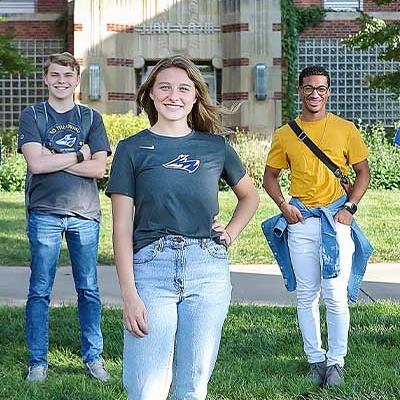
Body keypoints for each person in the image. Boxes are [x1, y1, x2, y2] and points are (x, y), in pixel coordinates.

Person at [106, 55, 259, 399]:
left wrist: (231, 232)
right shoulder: (132, 150)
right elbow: (121, 227)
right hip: (150, 270)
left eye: (183, 88)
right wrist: (129, 295)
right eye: (165, 87)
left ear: (195, 97)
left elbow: (250, 196)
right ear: (151, 95)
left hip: (207, 269)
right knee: (146, 388)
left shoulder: (214, 146)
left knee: (192, 387)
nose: (173, 95)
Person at [262, 66, 372, 387]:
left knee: (335, 295)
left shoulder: (345, 129)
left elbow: (363, 173)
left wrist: (350, 208)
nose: (315, 94)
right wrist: (284, 207)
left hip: (336, 221)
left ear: (328, 92)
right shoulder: (285, 134)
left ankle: (336, 362)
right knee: (307, 295)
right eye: (309, 88)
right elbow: (270, 177)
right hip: (301, 222)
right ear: (300, 90)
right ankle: (315, 359)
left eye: (321, 89)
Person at [18, 52, 111, 383]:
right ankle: (37, 363)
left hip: (85, 215)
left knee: (88, 288)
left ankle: (94, 359)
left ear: (77, 80)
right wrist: (77, 154)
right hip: (44, 213)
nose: (61, 80)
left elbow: (99, 168)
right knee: (40, 289)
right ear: (46, 78)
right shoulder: (33, 115)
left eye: (67, 75)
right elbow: (36, 165)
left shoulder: (90, 118)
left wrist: (54, 156)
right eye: (55, 75)